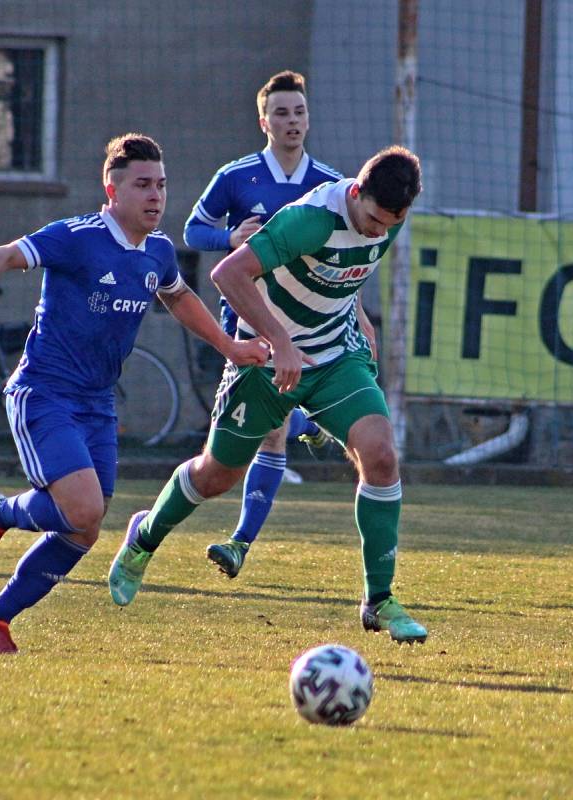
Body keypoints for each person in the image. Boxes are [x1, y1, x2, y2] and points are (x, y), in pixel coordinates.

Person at [0, 133, 267, 654]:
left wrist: (230, 345)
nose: (155, 196)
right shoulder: (78, 237)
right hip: (43, 393)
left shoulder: (157, 252)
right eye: (142, 185)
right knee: (85, 509)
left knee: (83, 529)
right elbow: (4, 253)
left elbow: (180, 300)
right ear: (111, 189)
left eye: (160, 184)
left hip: (96, 402)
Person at [109, 144, 427, 645]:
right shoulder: (309, 220)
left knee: (382, 457)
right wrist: (279, 341)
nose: (380, 230)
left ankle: (379, 600)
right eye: (374, 219)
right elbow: (227, 274)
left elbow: (352, 266)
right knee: (217, 475)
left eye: (392, 223)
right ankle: (143, 538)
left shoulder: (387, 214)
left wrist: (359, 316)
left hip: (334, 358)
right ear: (357, 192)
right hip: (265, 358)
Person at [183, 69, 376, 580]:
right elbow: (193, 229)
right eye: (282, 112)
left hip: (313, 329)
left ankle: (240, 542)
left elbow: (341, 266)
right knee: (227, 457)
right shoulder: (236, 176)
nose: (292, 121)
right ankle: (306, 423)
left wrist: (360, 317)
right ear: (263, 120)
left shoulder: (331, 185)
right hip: (249, 321)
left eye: (300, 112)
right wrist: (227, 239)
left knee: (270, 438)